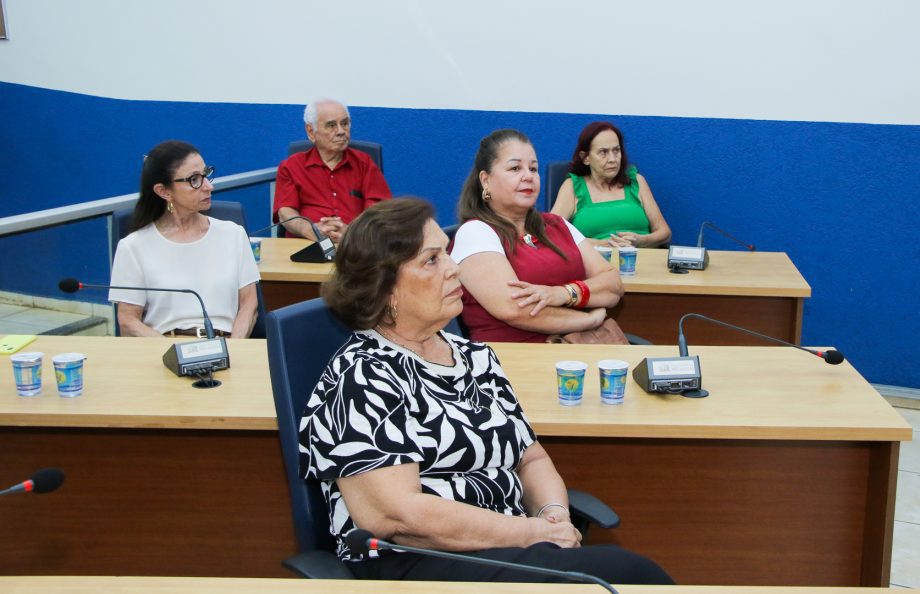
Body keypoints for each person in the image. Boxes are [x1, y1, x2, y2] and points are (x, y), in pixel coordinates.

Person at [301, 198, 673, 585]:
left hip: (508, 544)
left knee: (623, 573)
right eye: (432, 260)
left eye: (446, 253)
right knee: (624, 575)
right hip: (418, 560)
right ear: (386, 287)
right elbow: (398, 516)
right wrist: (532, 534)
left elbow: (531, 460)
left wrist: (553, 516)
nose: (454, 267)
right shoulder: (363, 376)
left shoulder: (475, 357)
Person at [451, 129, 627, 344]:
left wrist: (565, 293)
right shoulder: (475, 232)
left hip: (576, 355)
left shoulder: (557, 224)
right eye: (515, 168)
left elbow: (613, 284)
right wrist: (589, 319)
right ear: (485, 180)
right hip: (514, 363)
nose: (528, 176)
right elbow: (515, 309)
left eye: (533, 169)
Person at [109, 140, 260, 338]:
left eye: (206, 175)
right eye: (194, 180)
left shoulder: (233, 234)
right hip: (164, 351)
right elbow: (128, 321)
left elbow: (249, 306)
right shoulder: (133, 247)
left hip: (227, 347)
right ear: (164, 191)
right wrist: (175, 356)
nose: (208, 187)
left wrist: (234, 349)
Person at [273, 98, 391, 244]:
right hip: (306, 245)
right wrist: (313, 231)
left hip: (355, 246)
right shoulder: (291, 166)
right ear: (311, 131)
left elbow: (379, 210)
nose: (341, 131)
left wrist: (351, 233)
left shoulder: (364, 163)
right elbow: (286, 213)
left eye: (345, 123)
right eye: (331, 125)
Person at [551, 122, 671, 248]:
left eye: (616, 150)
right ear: (586, 157)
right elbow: (551, 234)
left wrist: (641, 240)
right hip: (597, 262)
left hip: (643, 258)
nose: (613, 159)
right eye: (603, 152)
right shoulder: (573, 187)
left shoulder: (636, 181)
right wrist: (601, 244)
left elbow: (664, 232)